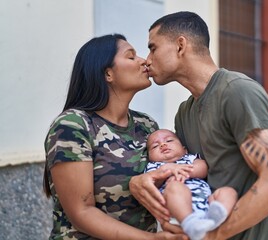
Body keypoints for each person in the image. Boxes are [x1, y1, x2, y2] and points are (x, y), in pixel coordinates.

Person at [129, 11, 268, 240]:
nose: (147, 59)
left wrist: (212, 236)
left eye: (153, 48)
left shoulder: (237, 92)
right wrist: (139, 182)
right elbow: (185, 171)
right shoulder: (184, 113)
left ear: (180, 46)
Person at [42, 34, 187, 240]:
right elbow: (81, 212)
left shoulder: (146, 126)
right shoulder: (73, 125)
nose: (144, 61)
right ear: (108, 73)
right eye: (131, 57)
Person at [145, 129, 237, 240]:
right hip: (178, 214)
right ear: (149, 157)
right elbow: (151, 186)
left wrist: (184, 172)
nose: (163, 144)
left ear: (185, 150)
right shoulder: (154, 167)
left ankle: (217, 216)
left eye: (169, 140)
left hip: (206, 206)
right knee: (174, 186)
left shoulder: (190, 159)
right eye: (155, 146)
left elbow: (203, 168)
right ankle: (191, 223)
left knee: (228, 191)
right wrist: (166, 171)